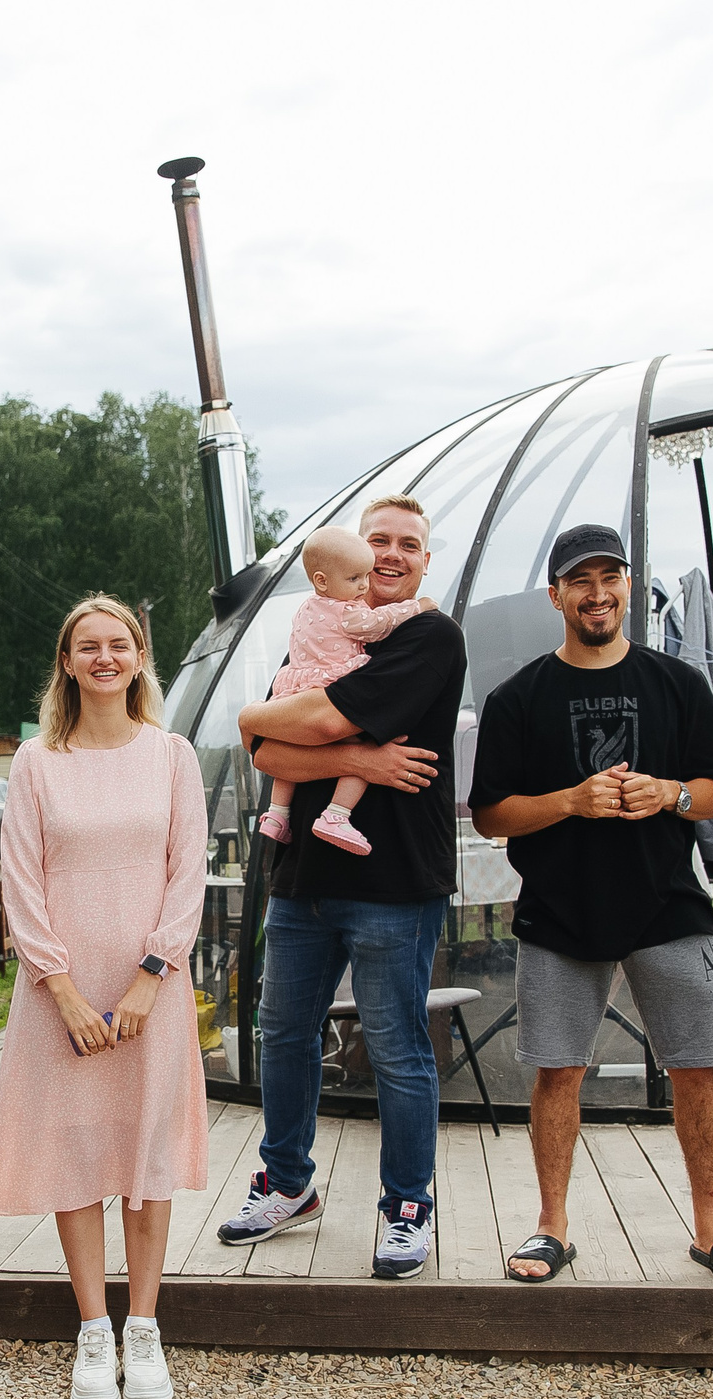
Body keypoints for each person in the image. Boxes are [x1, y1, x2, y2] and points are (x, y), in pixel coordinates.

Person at [468, 525, 713, 1287]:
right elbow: (491, 814)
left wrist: (667, 794)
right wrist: (571, 800)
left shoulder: (678, 684)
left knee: (697, 1068)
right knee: (556, 1071)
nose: (597, 592)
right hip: (560, 911)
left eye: (610, 577)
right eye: (581, 580)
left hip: (668, 903)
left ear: (629, 585)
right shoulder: (518, 697)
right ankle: (551, 1227)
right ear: (557, 595)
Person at [227, 494, 465, 1281]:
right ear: (347, 557)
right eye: (377, 541)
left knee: (397, 1047)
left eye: (407, 544)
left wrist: (270, 720)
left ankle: (406, 1206)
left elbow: (315, 722)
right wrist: (359, 765)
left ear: (426, 560)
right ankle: (288, 1182)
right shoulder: (324, 622)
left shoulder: (427, 635)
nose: (390, 555)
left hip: (394, 882)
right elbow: (267, 756)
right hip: (305, 880)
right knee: (283, 1031)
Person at [0, 597, 208, 1399]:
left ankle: (144, 1326)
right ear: (68, 661)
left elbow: (189, 871)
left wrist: (152, 974)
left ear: (140, 655)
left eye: (119, 644)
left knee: (146, 1155)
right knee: (78, 1155)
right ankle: (92, 1329)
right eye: (89, 646)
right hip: (62, 995)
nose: (105, 657)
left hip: (154, 984)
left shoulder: (172, 754)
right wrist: (64, 989)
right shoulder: (37, 762)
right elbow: (22, 881)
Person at [255, 527, 439, 854]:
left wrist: (250, 719)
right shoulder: (346, 610)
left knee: (287, 741)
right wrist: (417, 607)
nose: (364, 586)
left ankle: (276, 813)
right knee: (367, 745)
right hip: (331, 683)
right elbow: (377, 624)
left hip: (295, 685)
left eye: (365, 576)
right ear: (323, 580)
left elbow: (261, 745)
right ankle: (337, 814)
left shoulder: (306, 608)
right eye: (355, 578)